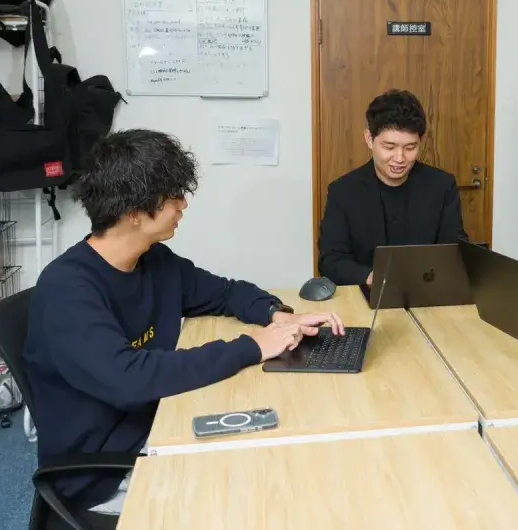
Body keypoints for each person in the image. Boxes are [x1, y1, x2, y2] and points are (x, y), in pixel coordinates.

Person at [23, 129, 344, 516]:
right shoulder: (68, 289)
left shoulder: (152, 259)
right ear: (133, 214)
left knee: (276, 443)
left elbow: (224, 292)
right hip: (103, 468)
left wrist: (278, 314)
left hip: (157, 419)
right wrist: (253, 346)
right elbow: (129, 379)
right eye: (173, 197)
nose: (183, 204)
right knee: (258, 491)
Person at [318, 89, 467, 286]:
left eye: (410, 148)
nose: (399, 158)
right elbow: (330, 260)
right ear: (369, 139)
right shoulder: (343, 191)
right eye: (389, 147)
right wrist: (372, 277)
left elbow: (455, 251)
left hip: (426, 291)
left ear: (420, 141)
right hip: (366, 293)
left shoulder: (442, 186)